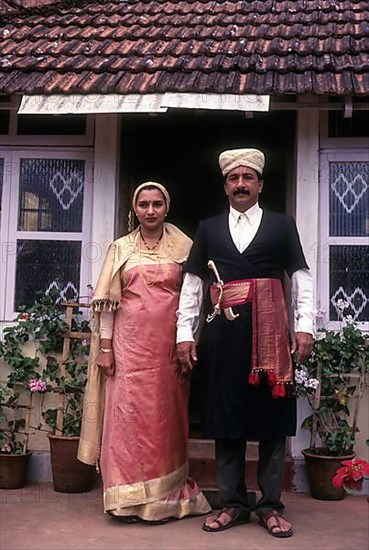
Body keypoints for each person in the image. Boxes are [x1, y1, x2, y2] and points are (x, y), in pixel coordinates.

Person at [176, 149, 314, 537]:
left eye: (248, 178)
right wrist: (184, 334)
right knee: (226, 418)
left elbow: (301, 276)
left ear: (260, 185)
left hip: (271, 336)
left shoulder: (282, 226)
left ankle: (270, 505)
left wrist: (304, 327)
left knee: (271, 422)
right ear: (225, 186)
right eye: (234, 178)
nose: (241, 184)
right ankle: (233, 504)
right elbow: (192, 284)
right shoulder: (208, 228)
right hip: (224, 335)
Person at [78, 181, 211, 522]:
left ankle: (164, 500)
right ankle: (125, 500)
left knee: (164, 421)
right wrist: (105, 348)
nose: (150, 210)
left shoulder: (185, 246)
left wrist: (189, 339)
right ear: (134, 209)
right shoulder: (120, 248)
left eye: (156, 204)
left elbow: (194, 297)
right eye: (143, 204)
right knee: (126, 422)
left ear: (167, 208)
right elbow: (108, 303)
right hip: (127, 350)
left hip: (168, 350)